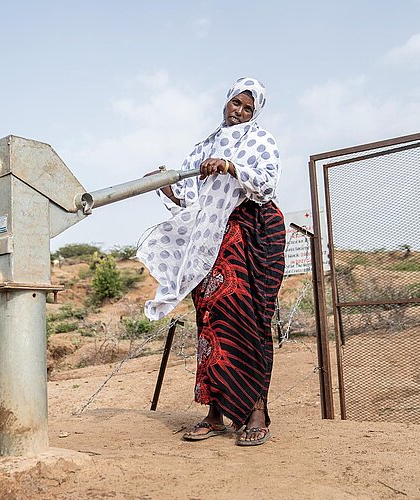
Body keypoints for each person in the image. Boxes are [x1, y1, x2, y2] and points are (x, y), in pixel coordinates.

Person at [138, 77, 285, 446]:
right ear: (226, 101)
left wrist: (232, 167)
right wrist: (164, 183)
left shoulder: (261, 142)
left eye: (248, 108)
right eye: (236, 103)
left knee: (244, 318)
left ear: (256, 113)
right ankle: (215, 414)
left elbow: (267, 183)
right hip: (207, 240)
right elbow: (190, 199)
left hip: (249, 234)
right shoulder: (204, 145)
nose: (240, 112)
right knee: (210, 318)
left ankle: (255, 411)